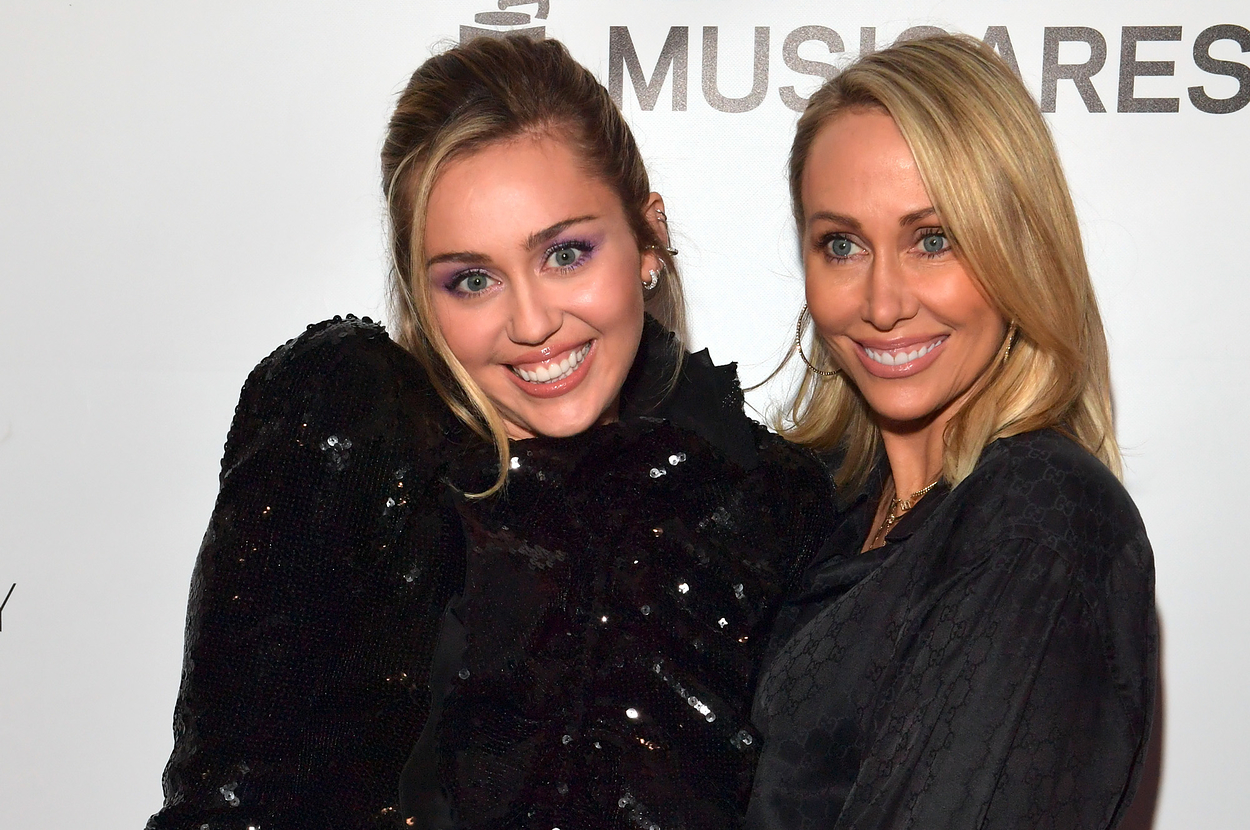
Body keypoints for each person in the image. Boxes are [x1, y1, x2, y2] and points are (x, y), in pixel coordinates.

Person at [146, 35, 831, 830]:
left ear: (648, 238)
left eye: (566, 253)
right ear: (421, 294)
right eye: (473, 280)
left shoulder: (774, 507)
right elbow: (222, 806)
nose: (533, 323)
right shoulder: (353, 437)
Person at [745, 34, 1157, 829]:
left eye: (933, 239)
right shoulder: (835, 510)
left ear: (1019, 249)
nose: (883, 300)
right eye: (842, 245)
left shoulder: (1041, 521)